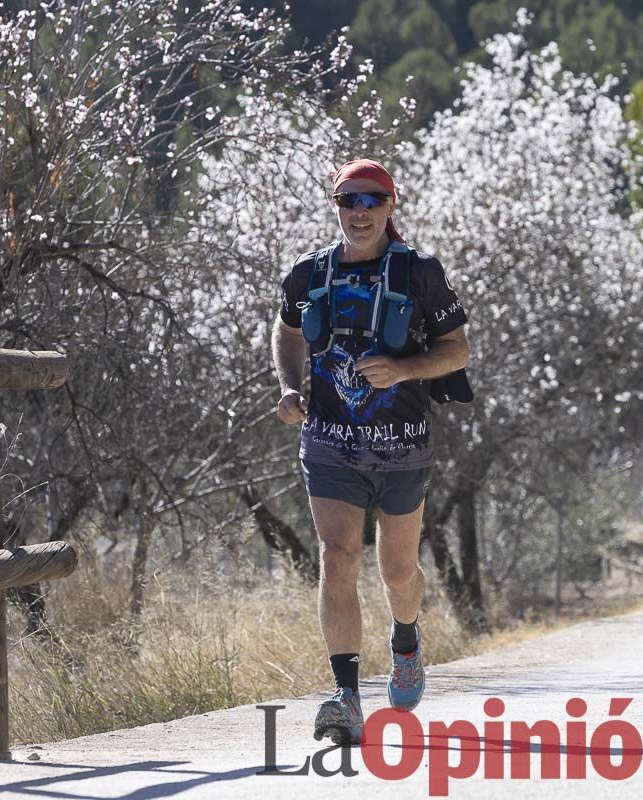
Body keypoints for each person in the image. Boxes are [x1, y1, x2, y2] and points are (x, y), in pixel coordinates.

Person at [271, 158, 469, 745]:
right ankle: (346, 696)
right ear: (335, 207)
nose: (359, 213)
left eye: (371, 201)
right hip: (329, 444)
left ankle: (406, 641)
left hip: (402, 448)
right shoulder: (308, 275)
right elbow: (284, 331)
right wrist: (288, 385)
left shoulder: (421, 273)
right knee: (337, 558)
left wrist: (403, 369)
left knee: (398, 570)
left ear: (390, 205)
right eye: (347, 201)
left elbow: (456, 350)